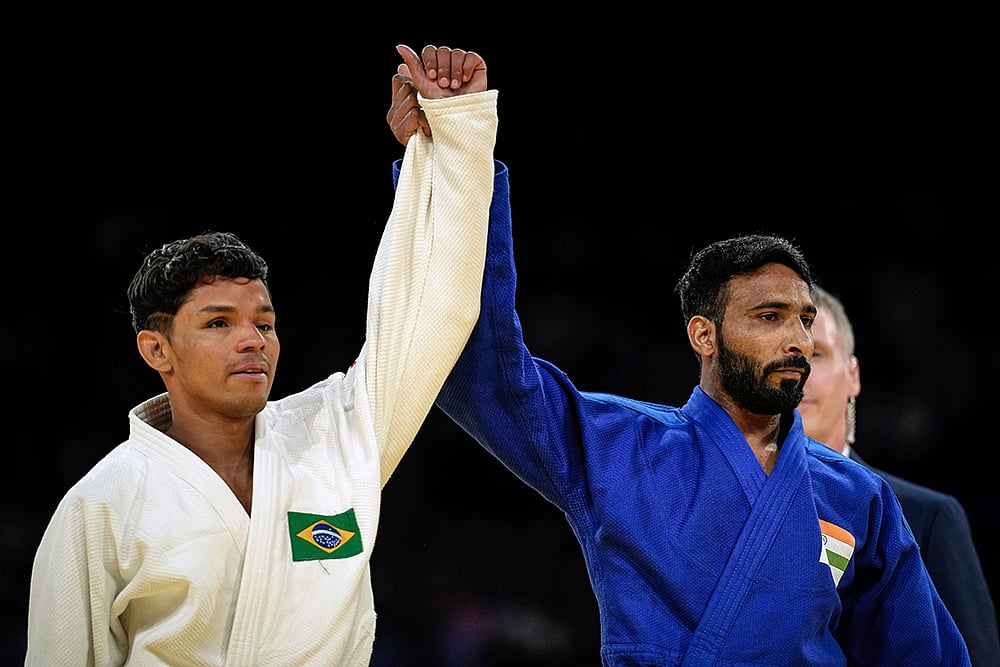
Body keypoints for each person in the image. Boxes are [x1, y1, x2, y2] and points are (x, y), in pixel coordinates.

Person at [385, 100, 971, 666]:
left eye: (804, 321)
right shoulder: (620, 445)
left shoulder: (858, 497)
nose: (798, 340)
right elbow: (479, 368)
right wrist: (456, 153)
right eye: (769, 317)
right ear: (703, 336)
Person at [25, 43, 497, 666]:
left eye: (265, 323)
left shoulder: (336, 438)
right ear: (156, 348)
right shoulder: (101, 505)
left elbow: (433, 312)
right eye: (218, 323)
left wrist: (450, 140)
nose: (253, 340)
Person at [798, 284, 999, 666]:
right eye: (787, 356)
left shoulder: (927, 519)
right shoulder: (735, 509)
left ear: (853, 375)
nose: (800, 371)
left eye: (817, 354)